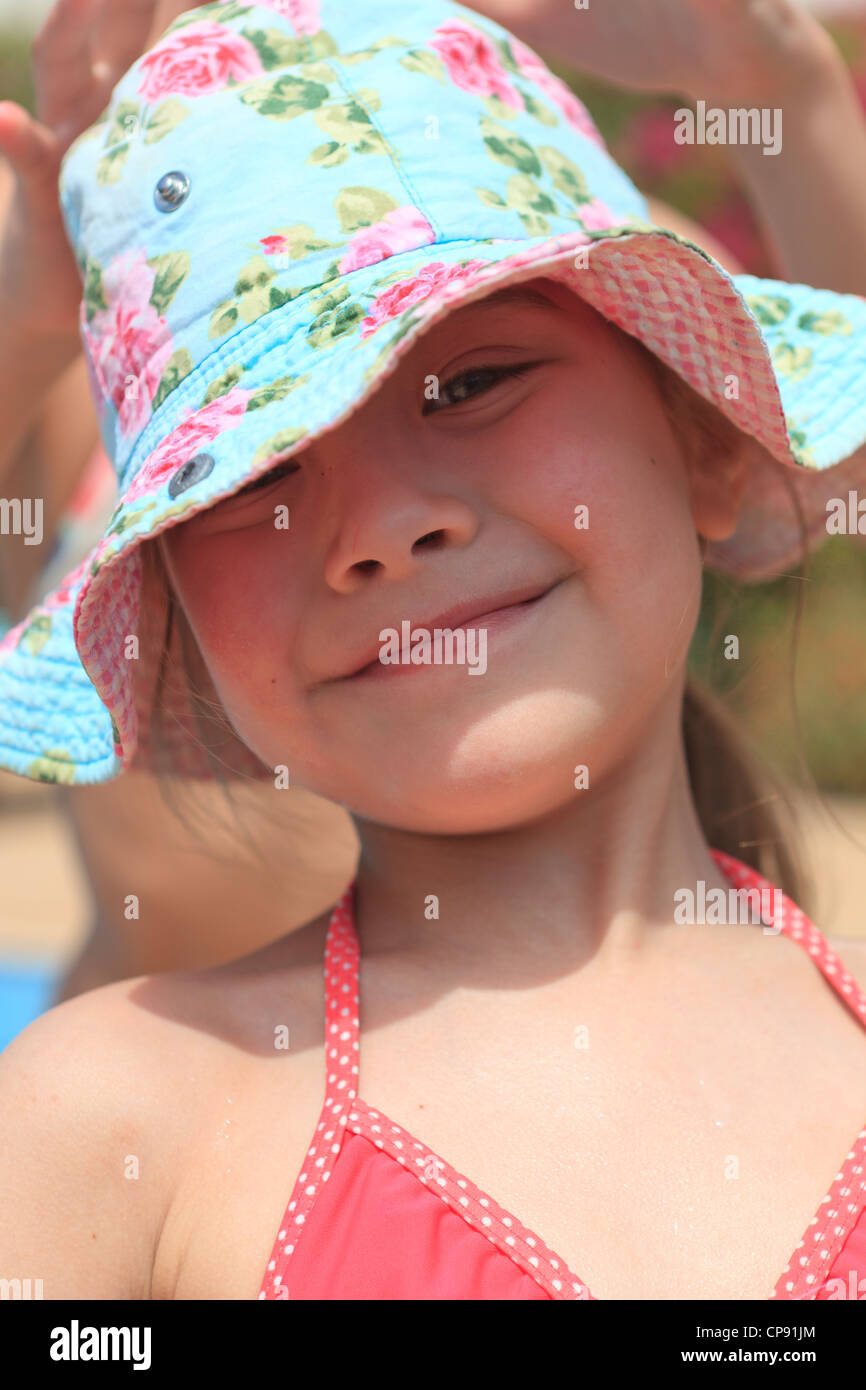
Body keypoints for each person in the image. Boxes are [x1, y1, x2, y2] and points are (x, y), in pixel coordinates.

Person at [0, 0, 865, 1303]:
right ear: (173, 598)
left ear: (700, 436)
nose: (383, 530)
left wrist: (774, 77)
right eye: (256, 470)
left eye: (473, 382)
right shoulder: (109, 1126)